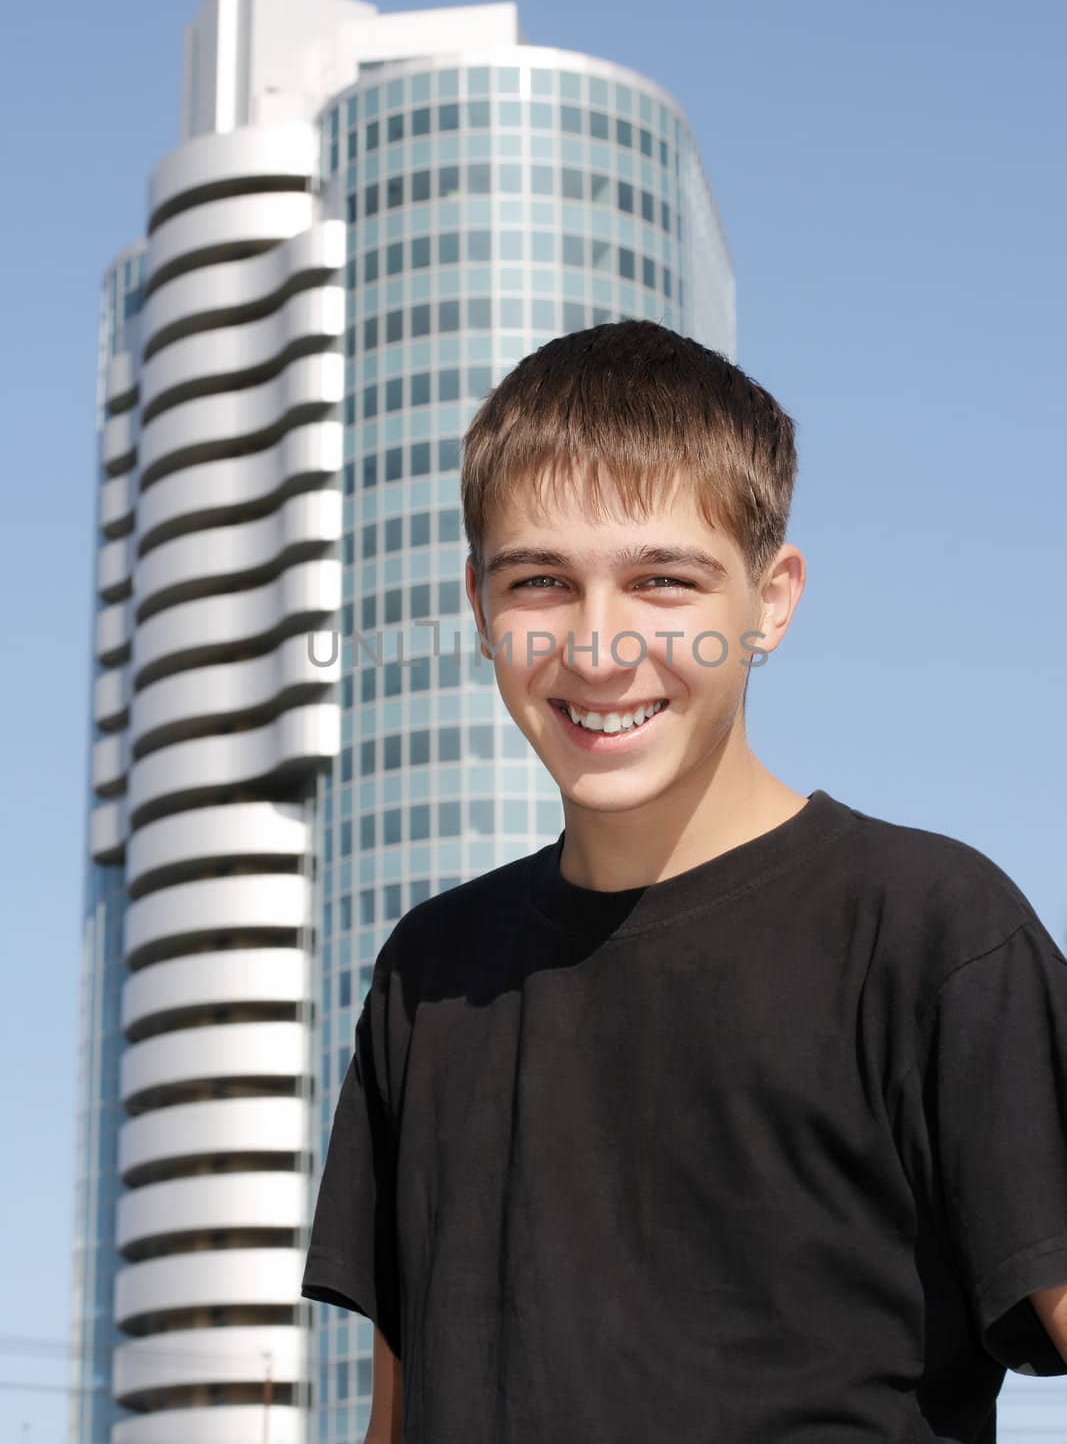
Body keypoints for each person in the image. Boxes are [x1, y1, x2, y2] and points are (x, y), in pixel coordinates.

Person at [301, 320, 1067, 1443]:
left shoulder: (930, 932)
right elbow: (398, 1419)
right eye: (539, 582)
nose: (599, 646)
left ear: (770, 598)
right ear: (478, 609)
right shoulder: (428, 977)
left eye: (663, 579)